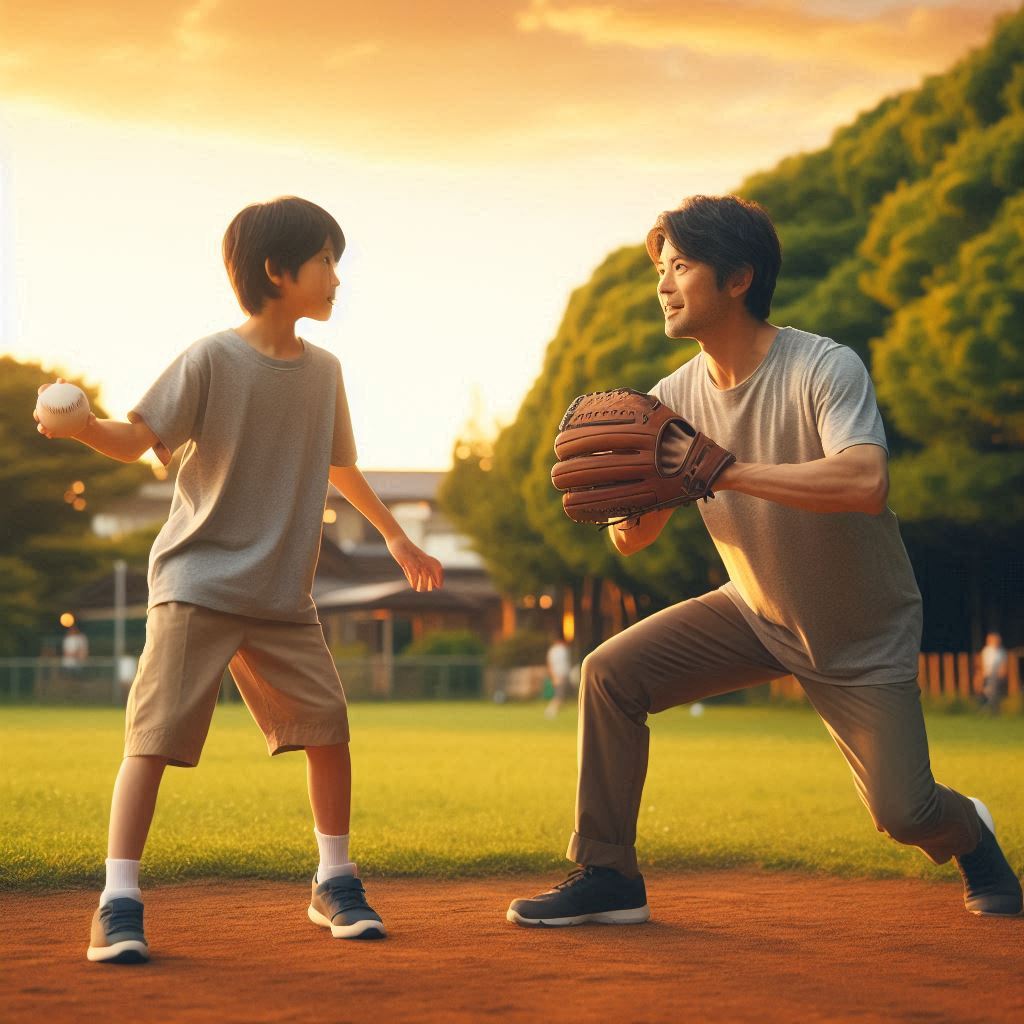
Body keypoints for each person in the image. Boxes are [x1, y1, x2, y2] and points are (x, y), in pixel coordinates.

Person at [507, 194, 1022, 927]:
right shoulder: (670, 401)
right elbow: (634, 540)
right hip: (754, 610)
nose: (662, 284)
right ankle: (609, 872)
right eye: (661, 268)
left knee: (904, 814)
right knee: (610, 674)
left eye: (680, 265)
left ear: (739, 277)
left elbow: (865, 480)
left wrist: (718, 469)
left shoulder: (822, 367)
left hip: (861, 630)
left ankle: (971, 831)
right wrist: (634, 495)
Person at [36, 196, 444, 964]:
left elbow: (339, 463)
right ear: (278, 271)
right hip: (199, 581)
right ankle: (117, 900)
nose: (335, 278)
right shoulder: (211, 358)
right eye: (326, 261)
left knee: (328, 728)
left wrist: (395, 536)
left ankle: (334, 880)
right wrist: (83, 424)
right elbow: (135, 440)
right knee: (152, 742)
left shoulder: (325, 372)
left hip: (282, 596)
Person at [977, 632, 1009, 715]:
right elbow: (982, 664)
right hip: (987, 674)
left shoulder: (1001, 652)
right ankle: (986, 709)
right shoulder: (986, 650)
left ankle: (991, 709)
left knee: (993, 692)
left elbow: (1003, 664)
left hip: (996, 675)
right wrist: (981, 675)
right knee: (987, 691)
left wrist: (1002, 673)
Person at [544, 632, 573, 718]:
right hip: (559, 675)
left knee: (562, 695)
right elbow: (550, 664)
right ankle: (550, 712)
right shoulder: (555, 650)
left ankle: (558, 710)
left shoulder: (563, 649)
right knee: (559, 695)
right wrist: (554, 676)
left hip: (564, 674)